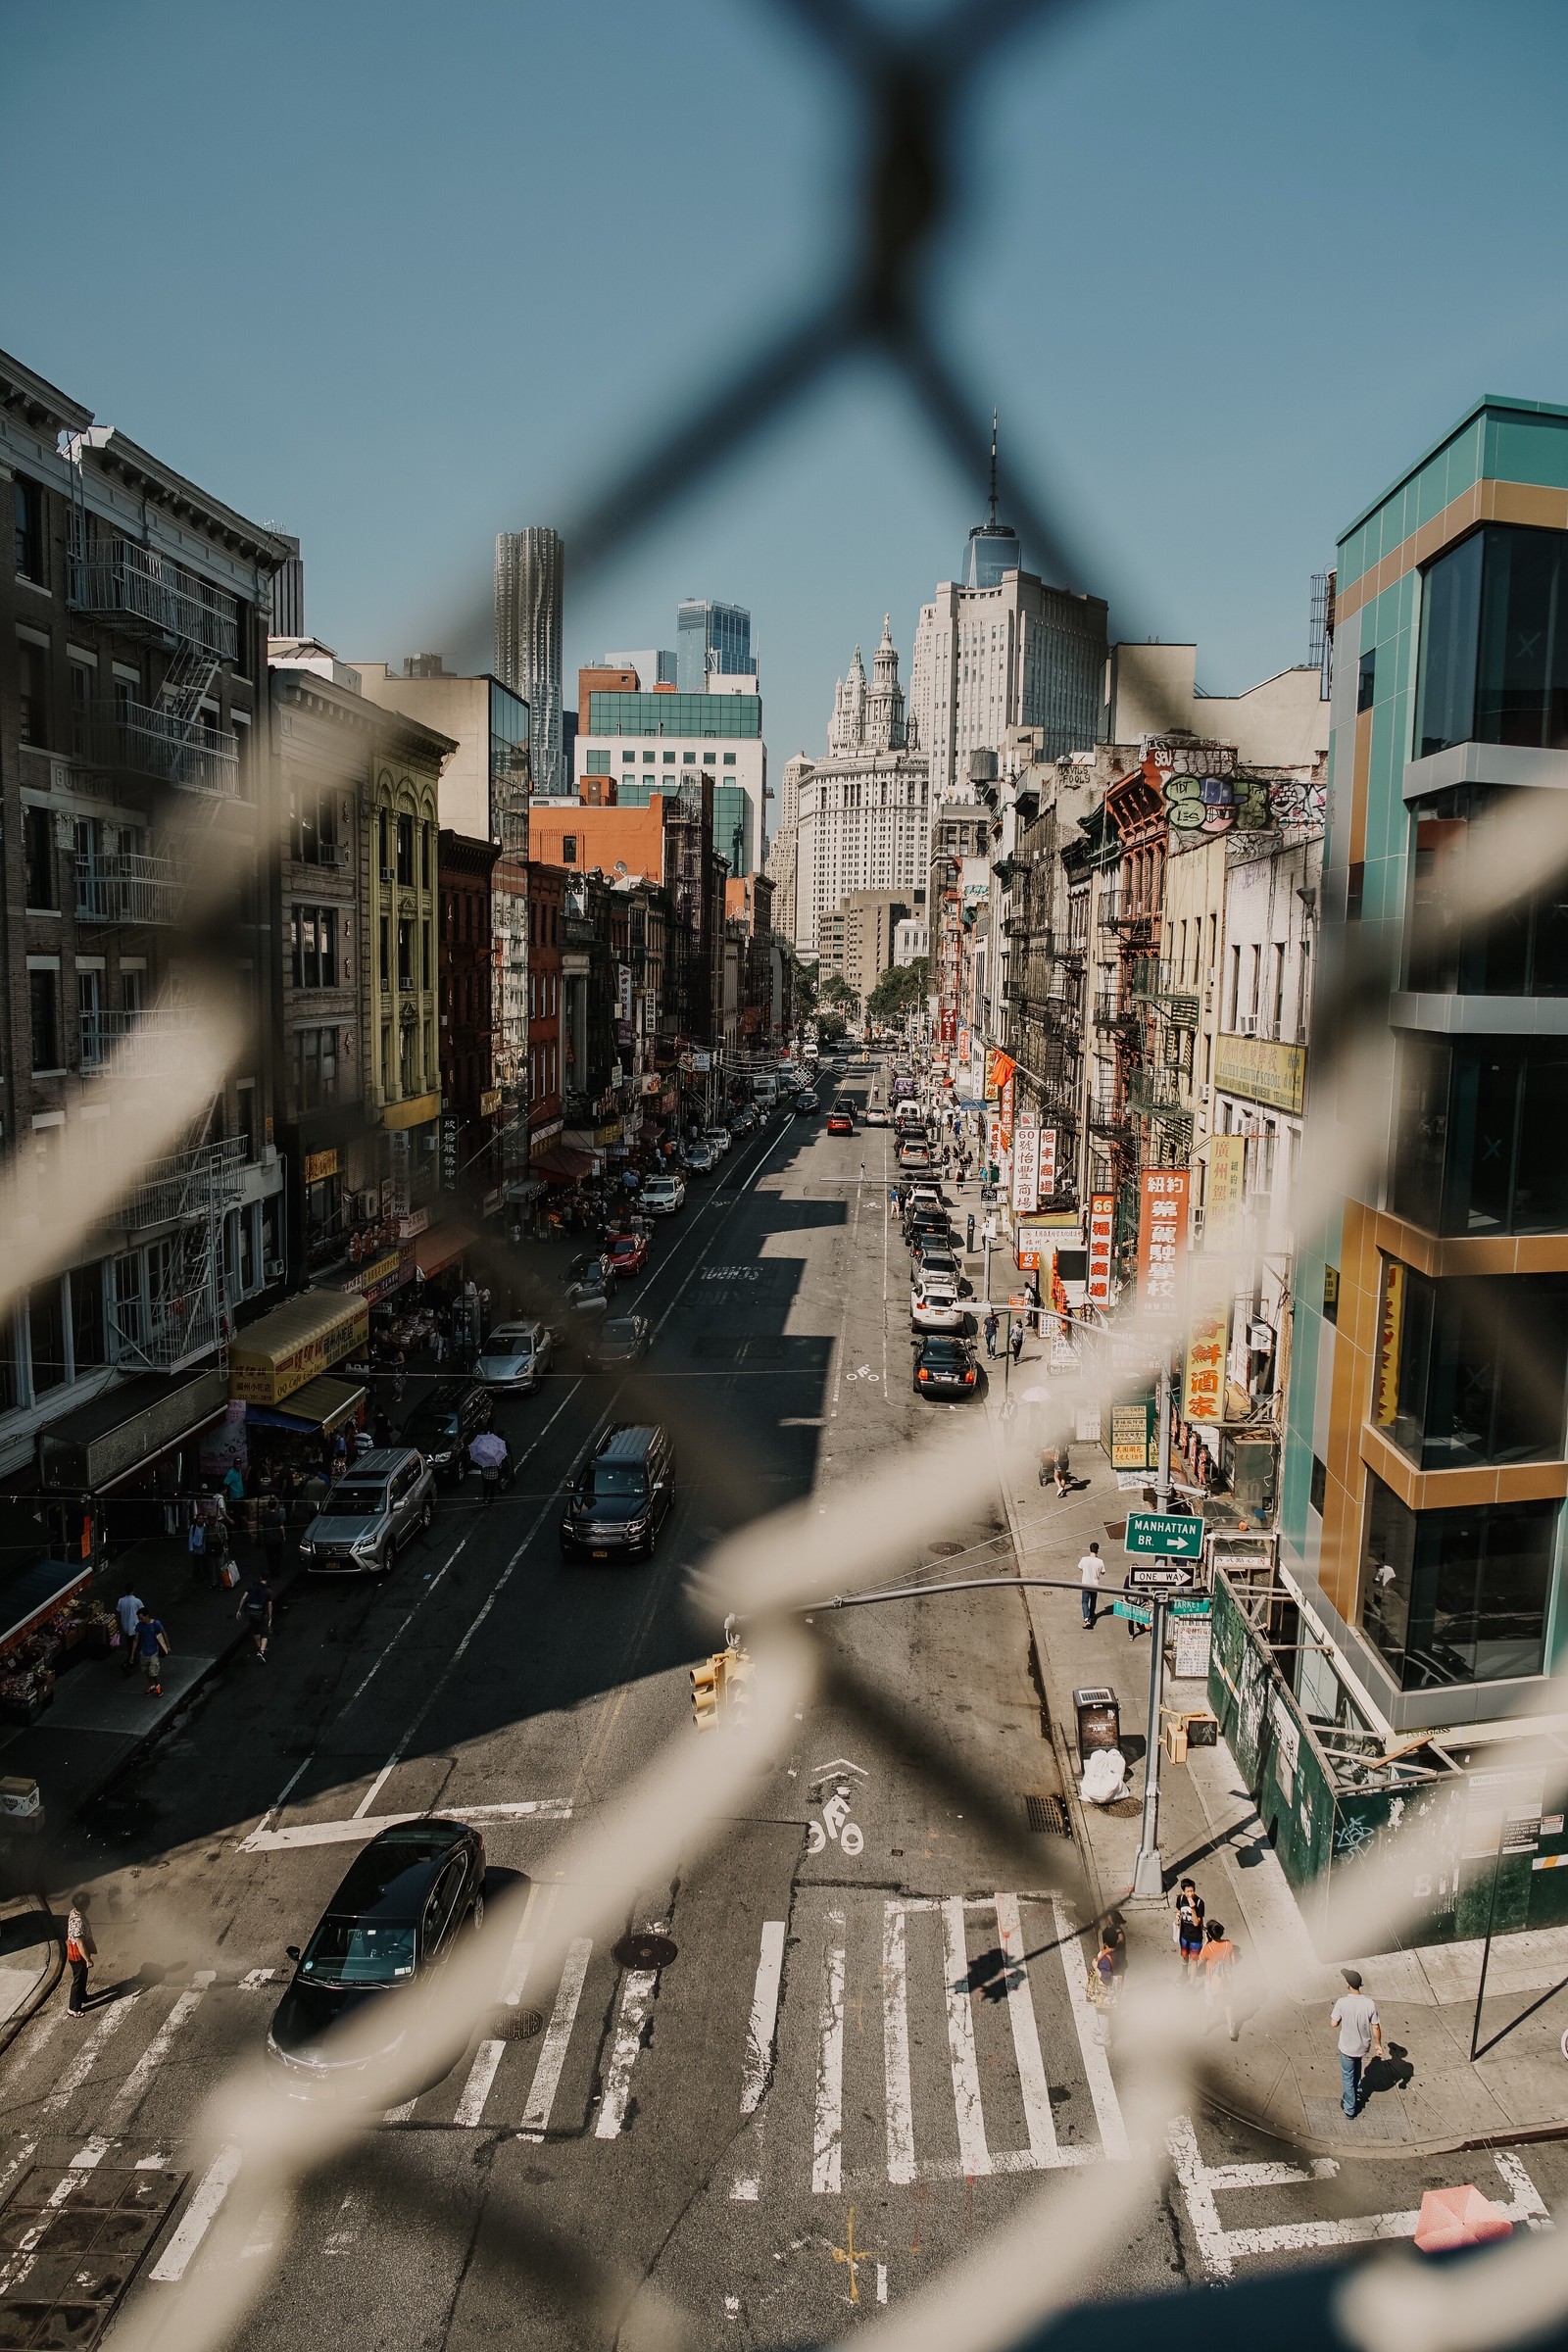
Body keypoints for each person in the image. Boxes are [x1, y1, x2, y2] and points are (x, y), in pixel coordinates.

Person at [1331, 1967, 1383, 2117]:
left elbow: (1333, 2023)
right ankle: (1358, 2092)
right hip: (1362, 2047)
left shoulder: (1342, 2002)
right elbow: (1376, 2027)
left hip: (1347, 2047)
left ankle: (1350, 2108)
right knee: (1357, 2067)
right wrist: (1378, 2044)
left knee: (1347, 2076)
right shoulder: (1369, 2004)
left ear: (1347, 1984)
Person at [1201, 1920, 1240, 2040]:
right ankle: (1230, 2029)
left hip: (1211, 1979)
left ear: (1209, 1935)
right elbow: (1233, 1962)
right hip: (1226, 1979)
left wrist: (1205, 1943)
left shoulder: (1208, 1948)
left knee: (1209, 2003)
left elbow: (1202, 1960)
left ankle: (1206, 2026)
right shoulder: (1229, 1944)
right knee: (1228, 2003)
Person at [65, 1895, 96, 2018]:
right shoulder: (78, 1922)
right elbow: (80, 1944)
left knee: (82, 1978)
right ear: (85, 1905)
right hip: (78, 1955)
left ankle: (84, 1997)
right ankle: (73, 2008)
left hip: (78, 1952)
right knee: (78, 1980)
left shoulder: (74, 1912)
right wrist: (87, 1959)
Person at [1173, 1878, 1206, 1980]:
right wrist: (1177, 1918)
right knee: (1184, 1956)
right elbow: (1179, 1910)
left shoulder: (1200, 1903)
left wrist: (1192, 1909)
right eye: (1188, 1891)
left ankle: (1192, 1982)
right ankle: (1184, 1974)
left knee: (1194, 1960)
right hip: (1184, 1935)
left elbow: (1196, 1923)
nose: (1190, 1894)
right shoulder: (1180, 1899)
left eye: (1192, 1891)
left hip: (1195, 1937)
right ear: (1183, 1891)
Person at [237, 1574, 273, 1662]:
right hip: (261, 1614)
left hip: (250, 1612)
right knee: (265, 1634)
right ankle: (261, 1652)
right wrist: (270, 1617)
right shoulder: (268, 1591)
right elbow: (269, 1606)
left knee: (255, 1630)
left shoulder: (251, 1587)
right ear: (267, 1579)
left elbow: (243, 1598)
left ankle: (258, 1647)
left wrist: (239, 1610)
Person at [135, 1607, 169, 1697]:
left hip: (153, 1651)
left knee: (153, 1672)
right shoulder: (139, 1626)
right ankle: (152, 1685)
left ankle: (157, 1686)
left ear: (147, 1616)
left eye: (142, 1618)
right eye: (139, 1618)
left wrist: (167, 1646)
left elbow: (163, 1633)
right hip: (144, 1652)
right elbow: (136, 1640)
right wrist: (132, 1654)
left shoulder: (155, 1623)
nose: (140, 1620)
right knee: (146, 1671)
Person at [115, 1585, 144, 1679]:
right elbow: (143, 1612)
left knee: (130, 1646)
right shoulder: (137, 1601)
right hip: (135, 1628)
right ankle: (128, 1663)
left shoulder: (121, 1601)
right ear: (133, 1590)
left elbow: (118, 1613)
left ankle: (131, 1660)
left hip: (126, 1628)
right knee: (137, 1646)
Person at [257, 1492, 287, 1579]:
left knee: (269, 1555)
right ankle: (276, 1570)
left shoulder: (263, 1516)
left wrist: (262, 1537)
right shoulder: (278, 1516)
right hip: (277, 1539)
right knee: (278, 1555)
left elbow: (261, 1527)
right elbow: (281, 1527)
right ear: (275, 1506)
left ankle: (271, 1568)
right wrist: (284, 1536)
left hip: (267, 1539)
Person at [1078, 1542, 1105, 1629]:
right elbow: (1103, 1572)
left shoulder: (1084, 1559)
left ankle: (1086, 1619)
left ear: (1090, 1550)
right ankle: (1091, 1615)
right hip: (1094, 1585)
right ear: (1097, 1551)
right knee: (1093, 1601)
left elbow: (1080, 1568)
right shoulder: (1100, 1561)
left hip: (1085, 1584)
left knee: (1084, 1602)